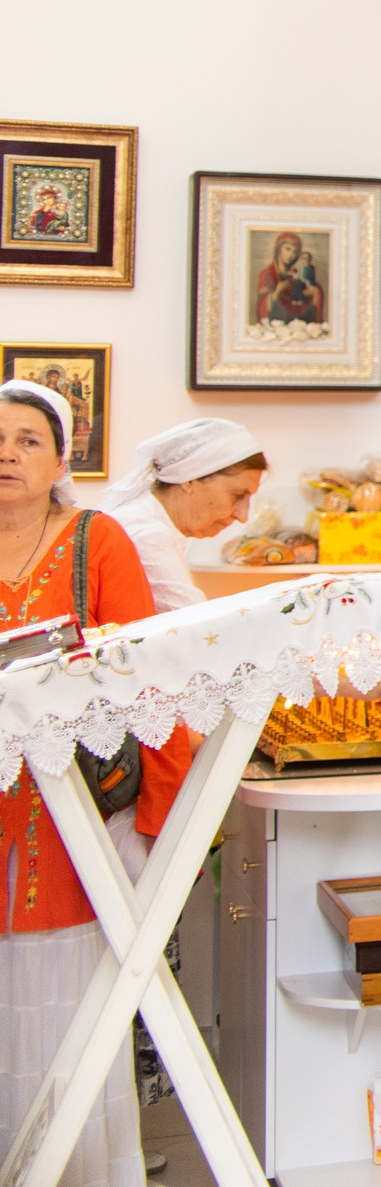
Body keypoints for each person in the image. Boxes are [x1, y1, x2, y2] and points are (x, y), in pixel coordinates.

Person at [0, 380, 198, 1187]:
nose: (6, 453)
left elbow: (154, 690)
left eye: (26, 441)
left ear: (62, 461)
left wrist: (159, 821)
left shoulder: (96, 540)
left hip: (75, 822)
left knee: (65, 1003)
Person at [95, 419, 266, 613]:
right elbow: (195, 628)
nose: (243, 516)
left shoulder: (150, 521)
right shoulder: (146, 533)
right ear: (189, 479)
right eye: (237, 496)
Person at [254, 232, 323, 325]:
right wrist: (277, 291)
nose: (291, 255)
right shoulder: (267, 274)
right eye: (287, 249)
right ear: (278, 249)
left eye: (295, 252)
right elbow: (261, 308)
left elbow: (312, 291)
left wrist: (315, 292)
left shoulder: (297, 275)